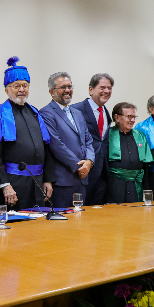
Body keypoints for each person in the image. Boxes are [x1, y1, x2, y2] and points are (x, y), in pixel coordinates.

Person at [0, 57, 55, 210]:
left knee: (38, 225)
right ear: (6, 90)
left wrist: (48, 179)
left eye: (25, 85)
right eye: (16, 86)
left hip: (38, 181)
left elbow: (47, 148)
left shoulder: (36, 113)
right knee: (16, 228)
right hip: (13, 182)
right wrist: (4, 185)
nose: (21, 89)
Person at [40, 72, 94, 208]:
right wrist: (78, 166)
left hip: (82, 179)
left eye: (70, 86)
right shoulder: (46, 113)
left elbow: (88, 141)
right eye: (63, 87)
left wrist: (89, 162)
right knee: (62, 225)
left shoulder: (78, 113)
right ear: (52, 92)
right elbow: (56, 145)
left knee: (80, 222)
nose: (68, 90)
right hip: (63, 181)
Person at [72, 74, 113, 205]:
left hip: (102, 171)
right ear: (91, 90)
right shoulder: (75, 110)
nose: (106, 91)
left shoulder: (106, 112)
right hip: (83, 169)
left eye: (109, 88)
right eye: (102, 87)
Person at [106, 102, 153, 203]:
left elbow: (146, 165)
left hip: (136, 185)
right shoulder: (108, 135)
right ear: (117, 117)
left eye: (134, 117)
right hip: (114, 185)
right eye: (129, 117)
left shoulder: (140, 136)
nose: (133, 120)